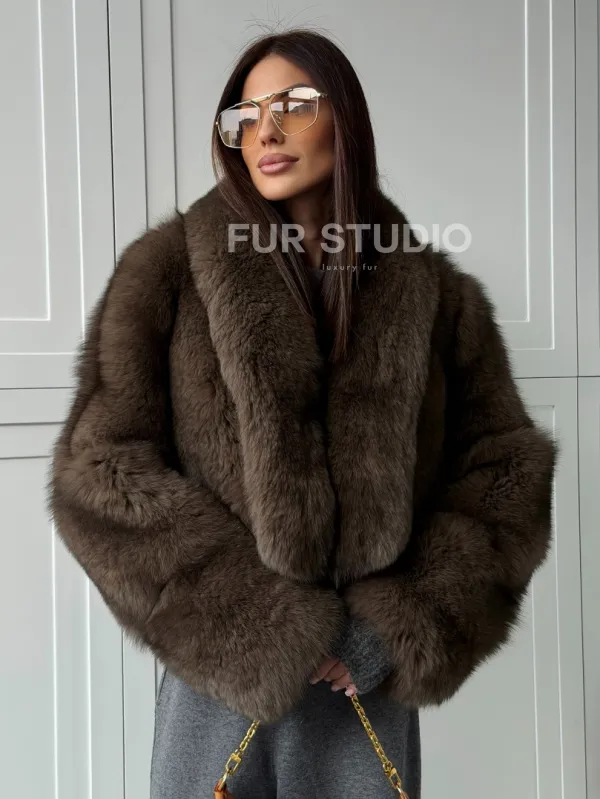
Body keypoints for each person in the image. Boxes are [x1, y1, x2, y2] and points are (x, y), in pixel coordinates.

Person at [47, 27, 557, 799]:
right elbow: (100, 473)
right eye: (246, 116)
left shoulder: (436, 297)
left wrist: (395, 626)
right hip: (220, 685)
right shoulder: (168, 273)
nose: (267, 131)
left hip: (362, 689)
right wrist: (257, 624)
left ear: (344, 117)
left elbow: (505, 476)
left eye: (293, 105)